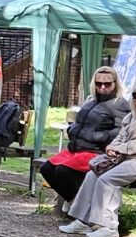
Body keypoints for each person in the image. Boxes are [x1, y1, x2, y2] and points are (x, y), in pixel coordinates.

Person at [59, 82, 136, 237]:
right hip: (125, 159)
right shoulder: (132, 115)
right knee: (93, 175)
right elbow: (120, 136)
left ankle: (109, 226)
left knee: (108, 180)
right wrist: (112, 147)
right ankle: (83, 222)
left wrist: (121, 149)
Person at [42, 65, 128, 204]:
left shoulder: (120, 104)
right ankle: (75, 202)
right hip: (76, 149)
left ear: (115, 83)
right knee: (47, 168)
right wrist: (72, 129)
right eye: (99, 83)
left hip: (97, 152)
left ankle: (79, 206)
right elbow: (81, 122)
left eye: (107, 84)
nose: (103, 87)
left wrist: (101, 136)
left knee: (63, 171)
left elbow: (123, 130)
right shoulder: (91, 101)